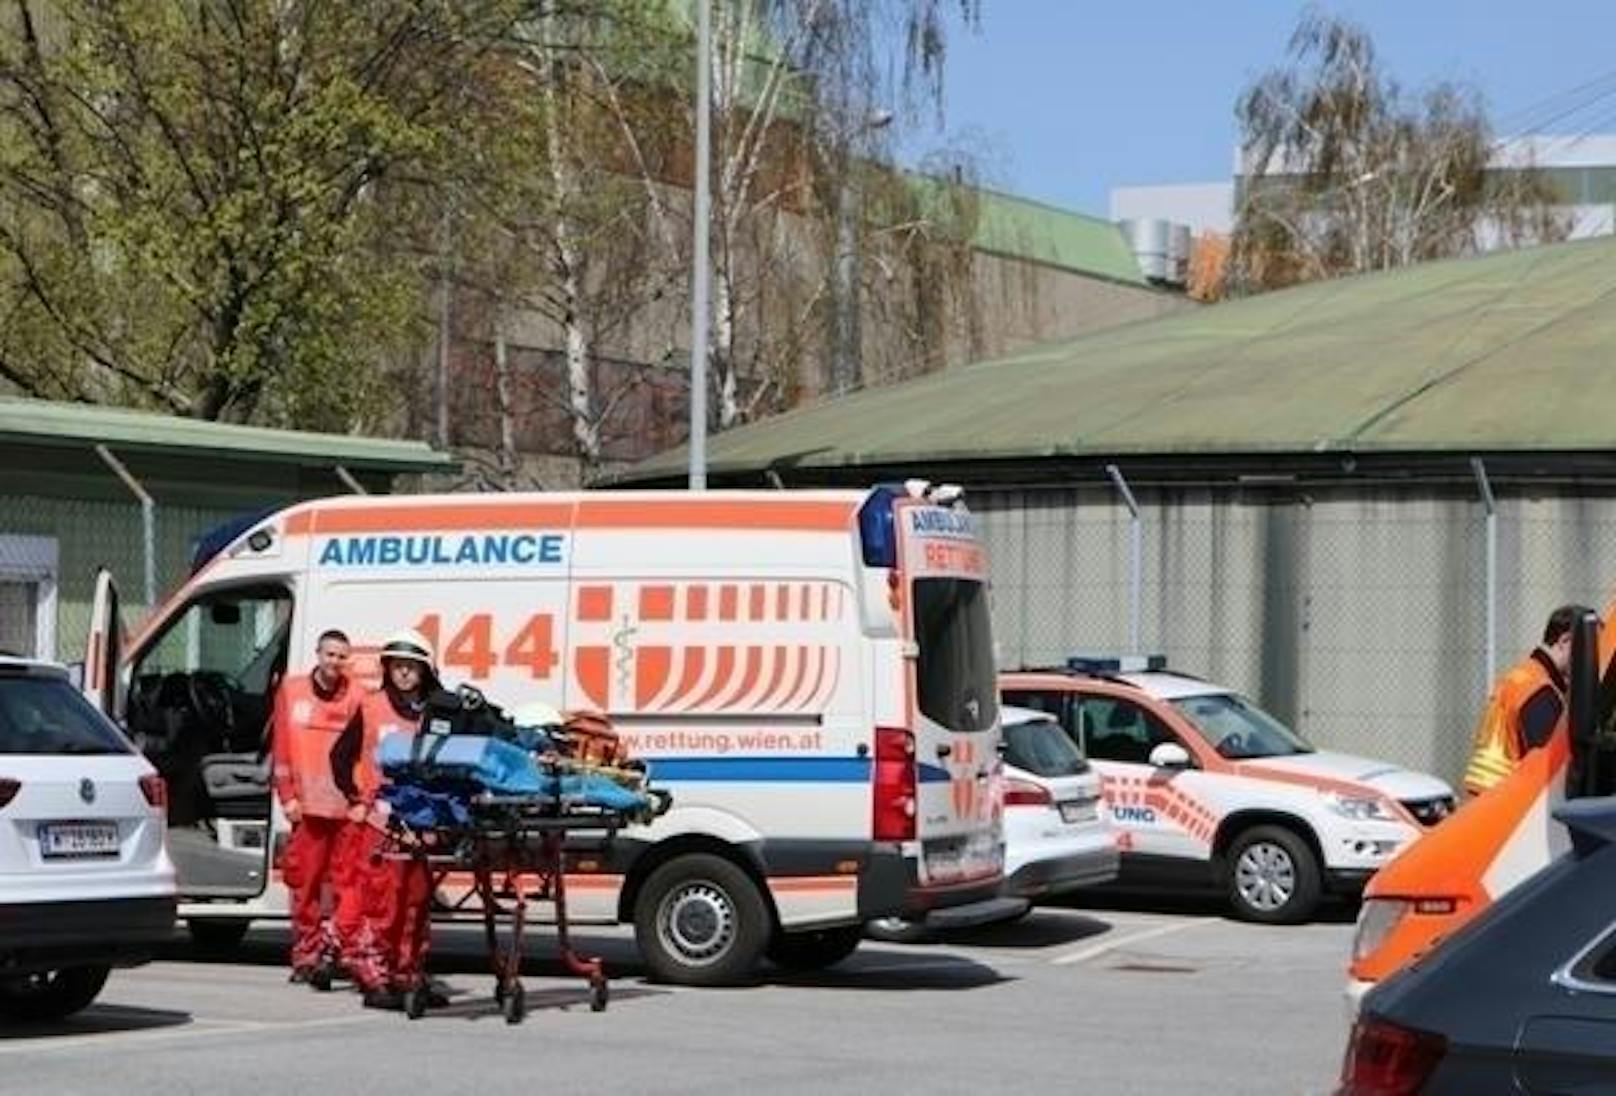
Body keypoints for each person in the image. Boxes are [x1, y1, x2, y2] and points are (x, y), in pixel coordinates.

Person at [330, 629, 443, 1011]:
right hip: (380, 824)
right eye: (398, 667)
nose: (405, 675)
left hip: (422, 826)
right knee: (382, 903)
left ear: (424, 671)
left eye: (411, 668)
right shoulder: (371, 707)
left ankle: (408, 974)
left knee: (416, 904)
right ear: (387, 669)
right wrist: (354, 798)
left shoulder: (436, 712)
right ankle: (374, 976)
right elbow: (339, 757)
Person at [269, 629, 362, 983]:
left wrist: (359, 801)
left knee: (347, 886)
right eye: (330, 655)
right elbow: (282, 748)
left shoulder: (356, 696)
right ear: (318, 654)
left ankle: (343, 951)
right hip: (306, 807)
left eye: (341, 656)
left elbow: (364, 753)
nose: (335, 662)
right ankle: (306, 955)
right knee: (304, 885)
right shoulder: (292, 691)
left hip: (344, 809)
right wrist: (287, 795)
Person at [1463, 604, 1594, 797]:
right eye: (1588, 649)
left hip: (1484, 797)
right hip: (1508, 804)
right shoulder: (1540, 691)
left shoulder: (1520, 677)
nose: (1589, 660)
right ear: (1565, 640)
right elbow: (1550, 767)